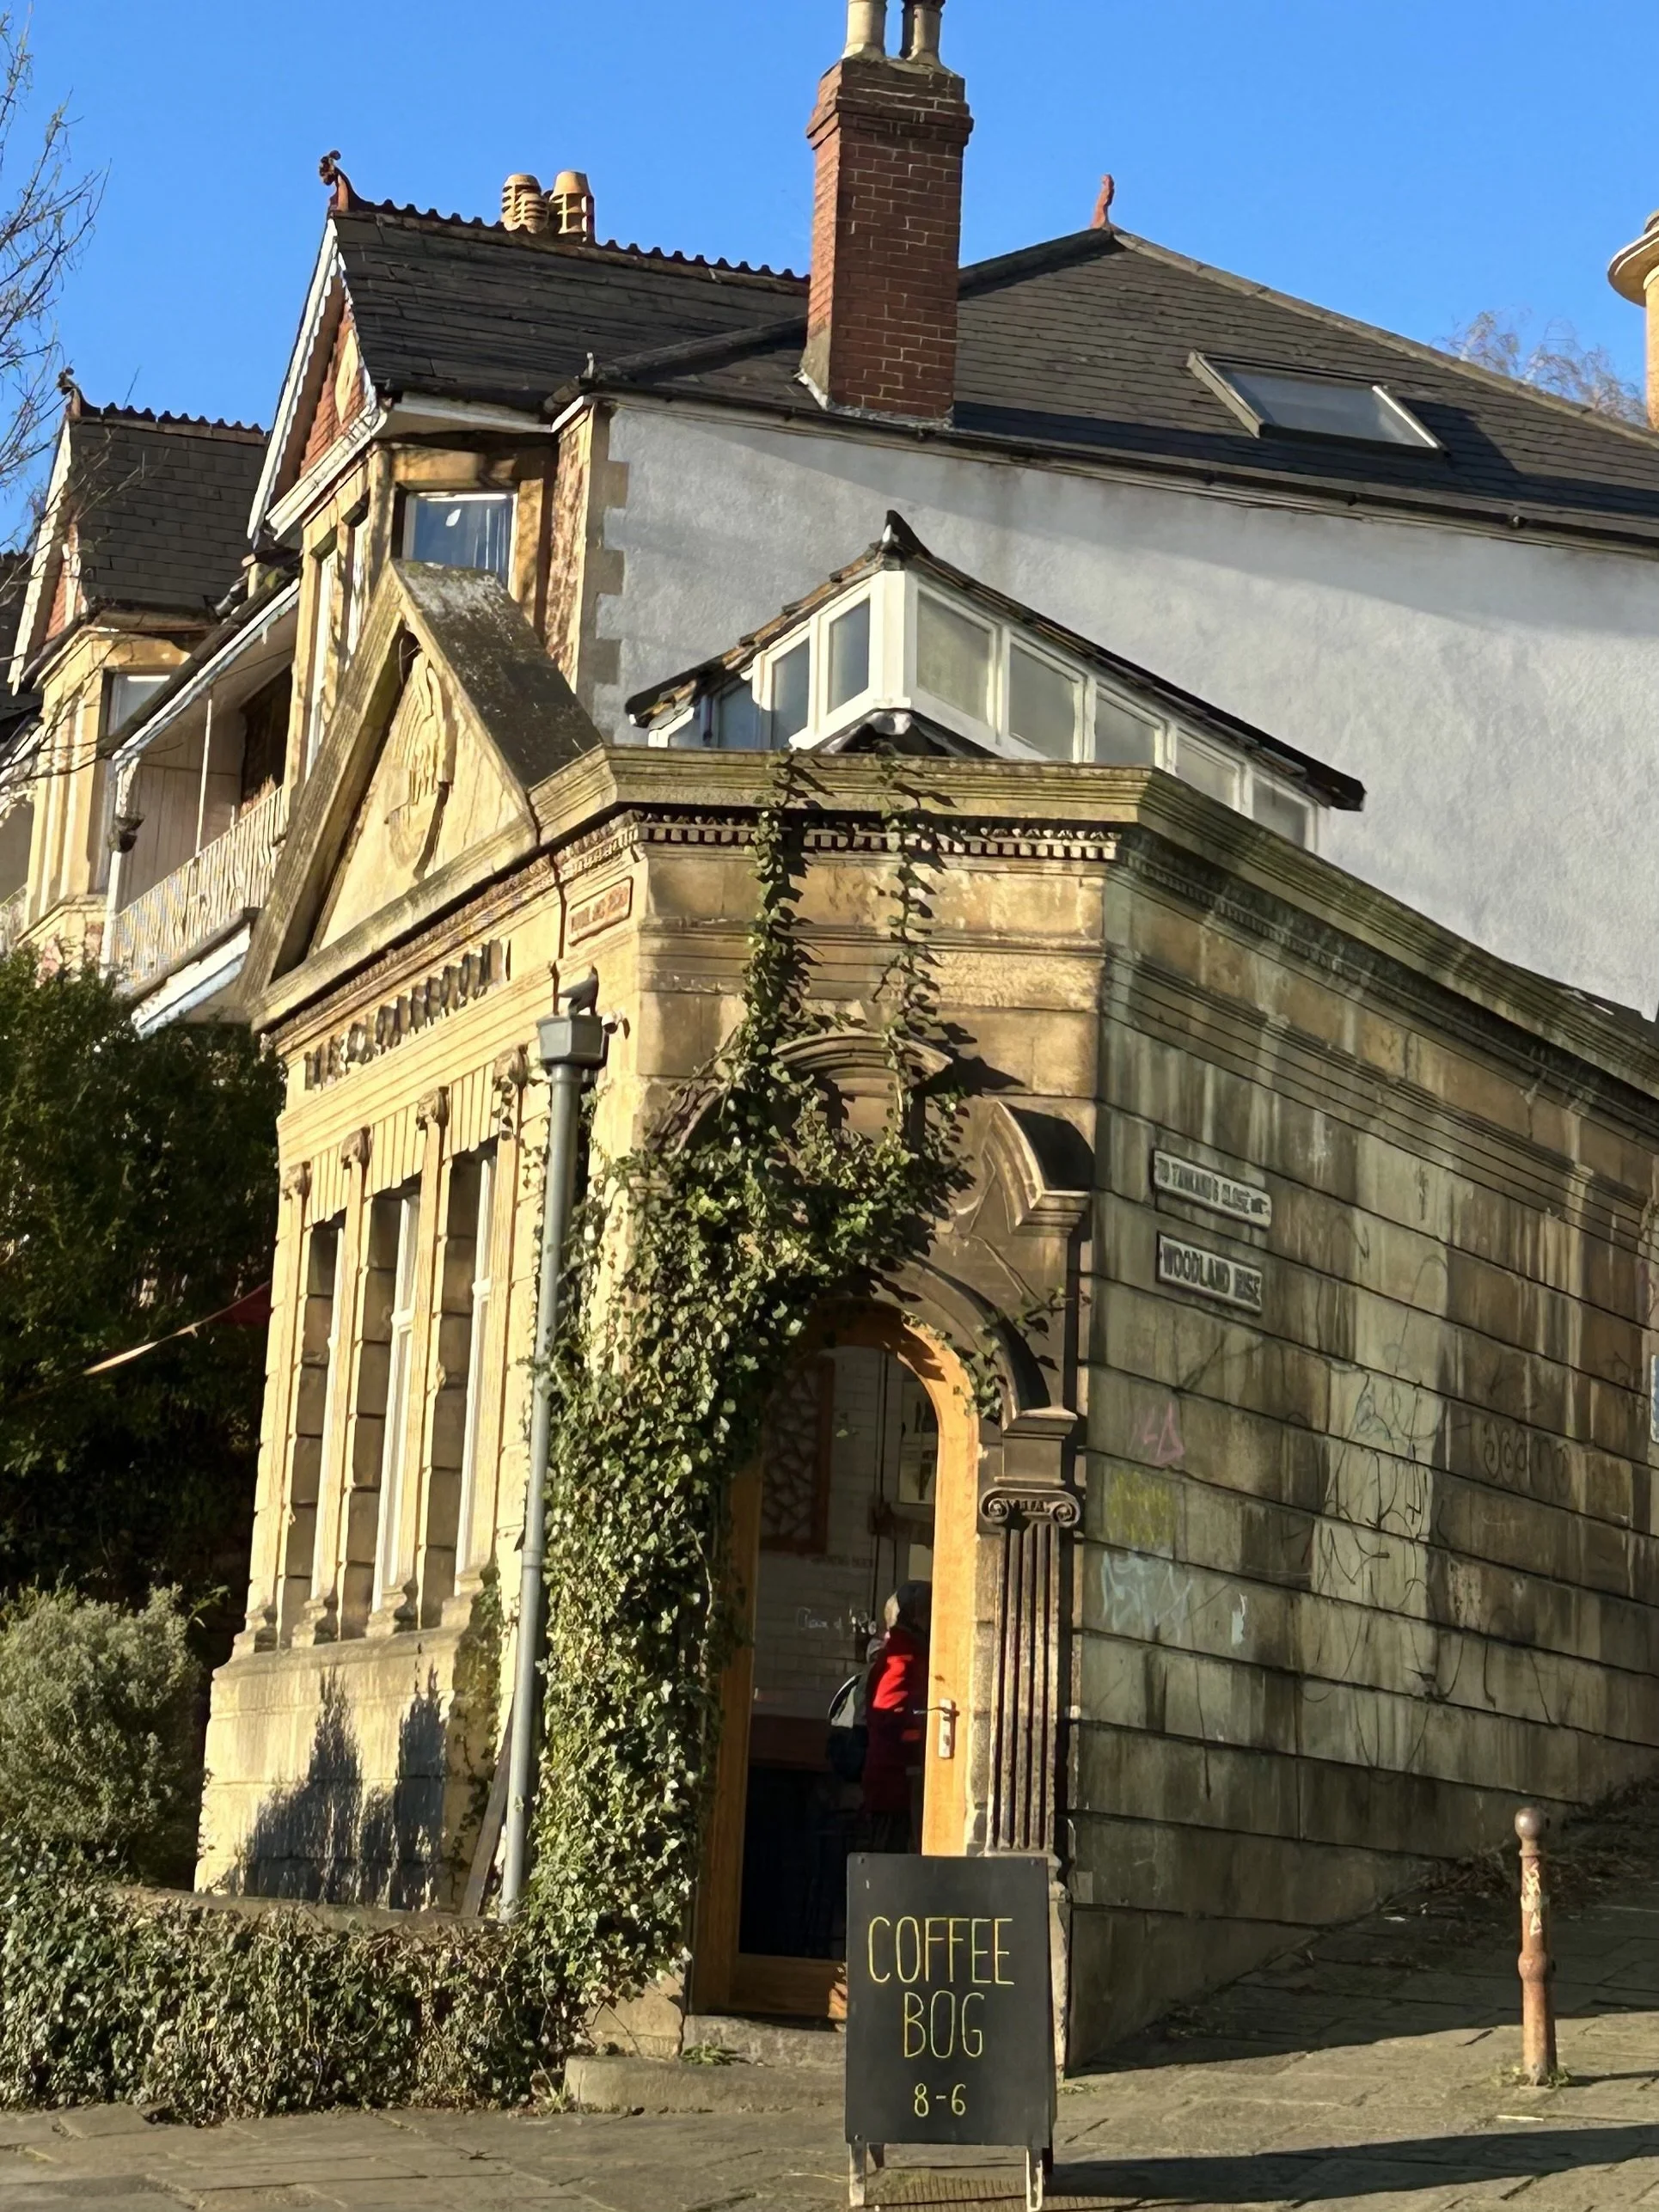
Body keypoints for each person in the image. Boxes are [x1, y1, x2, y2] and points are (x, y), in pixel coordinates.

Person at [860, 1581, 930, 1852]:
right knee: (890, 1860)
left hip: (894, 1779)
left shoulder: (906, 1652)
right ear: (917, 1617)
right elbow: (887, 1716)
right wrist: (922, 1734)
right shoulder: (903, 1656)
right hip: (894, 1781)